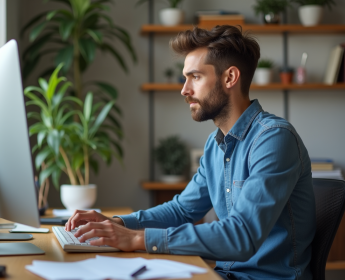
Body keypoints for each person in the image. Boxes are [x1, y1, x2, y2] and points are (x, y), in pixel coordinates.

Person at [65, 25, 315, 280]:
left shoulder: (273, 139)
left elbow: (242, 236)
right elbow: (182, 211)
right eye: (185, 78)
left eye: (194, 77)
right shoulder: (214, 145)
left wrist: (138, 239)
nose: (184, 89)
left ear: (230, 78)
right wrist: (119, 224)